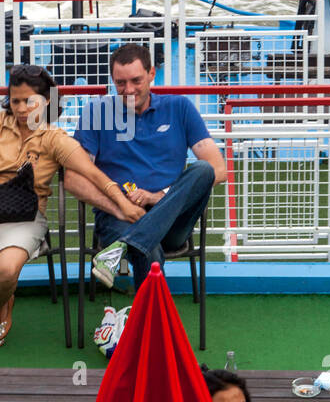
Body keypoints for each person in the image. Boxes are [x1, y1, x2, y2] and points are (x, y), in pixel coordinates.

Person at [0, 63, 143, 344]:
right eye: (16, 101)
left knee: (6, 270)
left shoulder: (55, 138)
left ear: (46, 101)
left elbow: (92, 173)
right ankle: (2, 297)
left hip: (27, 215)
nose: (21, 109)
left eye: (29, 101)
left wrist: (122, 203)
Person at [69, 43, 227, 290]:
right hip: (118, 215)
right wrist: (121, 207)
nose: (128, 89)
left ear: (152, 74)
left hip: (172, 220)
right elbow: (73, 179)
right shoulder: (96, 112)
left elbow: (219, 168)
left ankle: (127, 245)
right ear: (112, 79)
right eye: (120, 83)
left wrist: (158, 197)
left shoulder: (179, 108)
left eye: (136, 80)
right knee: (147, 250)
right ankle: (153, 325)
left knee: (203, 170)